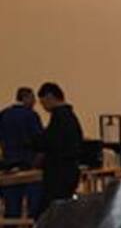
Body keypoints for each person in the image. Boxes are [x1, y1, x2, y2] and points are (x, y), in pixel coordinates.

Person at [34, 81, 84, 215]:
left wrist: (34, 142)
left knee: (48, 211)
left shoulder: (60, 117)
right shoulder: (70, 116)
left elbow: (50, 141)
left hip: (59, 171)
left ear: (50, 97)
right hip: (69, 169)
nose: (43, 106)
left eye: (43, 102)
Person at [0, 86, 45, 225]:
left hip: (9, 163)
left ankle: (10, 227)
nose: (34, 102)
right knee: (33, 202)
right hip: (29, 163)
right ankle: (32, 227)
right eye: (32, 98)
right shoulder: (31, 115)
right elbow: (39, 140)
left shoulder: (4, 114)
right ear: (25, 98)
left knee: (12, 202)